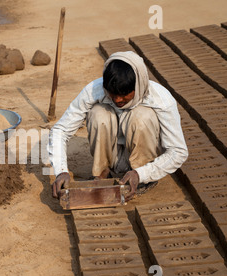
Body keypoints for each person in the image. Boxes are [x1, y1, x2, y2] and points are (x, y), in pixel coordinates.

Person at [48, 51, 188, 201]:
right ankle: (102, 174)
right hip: (113, 157)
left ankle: (140, 179)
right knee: (98, 114)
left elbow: (178, 151)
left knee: (142, 117)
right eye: (112, 94)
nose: (117, 99)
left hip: (144, 165)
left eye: (124, 94)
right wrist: (61, 171)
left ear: (139, 85)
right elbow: (60, 130)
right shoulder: (93, 90)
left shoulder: (161, 99)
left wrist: (142, 173)